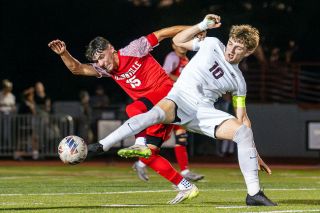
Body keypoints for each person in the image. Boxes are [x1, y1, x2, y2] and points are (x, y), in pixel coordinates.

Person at [86, 14, 277, 206]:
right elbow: (178, 40)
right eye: (231, 43)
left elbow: (242, 117)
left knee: (243, 132)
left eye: (239, 48)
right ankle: (101, 146)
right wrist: (202, 25)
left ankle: (254, 194)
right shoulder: (212, 43)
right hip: (179, 98)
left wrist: (253, 153)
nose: (231, 50)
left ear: (249, 52)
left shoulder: (239, 81)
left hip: (202, 113)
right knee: (150, 115)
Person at [48, 25, 200, 204]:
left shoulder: (134, 49)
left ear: (111, 48)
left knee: (132, 109)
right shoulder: (105, 69)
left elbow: (163, 34)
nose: (102, 63)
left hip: (166, 93)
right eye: (98, 61)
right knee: (148, 156)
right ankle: (186, 186)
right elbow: (78, 69)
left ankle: (139, 142)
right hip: (152, 112)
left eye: (102, 57)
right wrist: (63, 53)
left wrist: (196, 27)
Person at [133, 41, 204, 182]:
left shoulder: (185, 59)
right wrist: (182, 80)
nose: (183, 46)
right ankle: (141, 163)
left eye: (184, 44)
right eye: (179, 44)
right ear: (174, 46)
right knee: (159, 138)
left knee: (180, 136)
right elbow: (164, 74)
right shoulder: (173, 57)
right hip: (168, 101)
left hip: (179, 101)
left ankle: (184, 171)